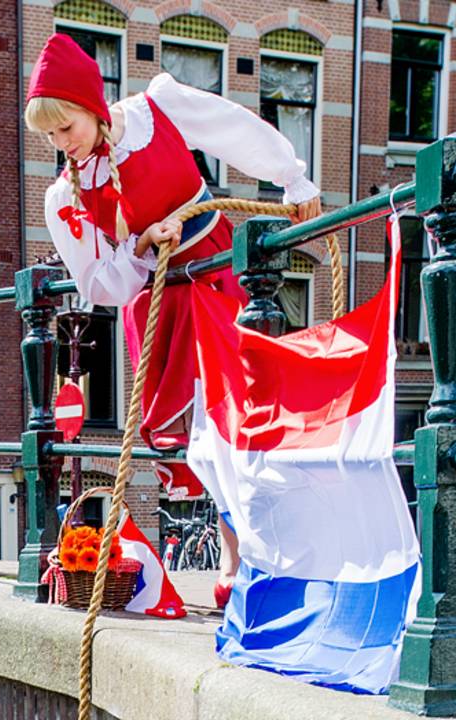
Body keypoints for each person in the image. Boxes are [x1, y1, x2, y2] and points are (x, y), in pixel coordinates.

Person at [24, 33, 322, 609]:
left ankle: (245, 557)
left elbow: (228, 127)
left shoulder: (154, 111)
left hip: (216, 280)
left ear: (91, 105)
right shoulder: (63, 196)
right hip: (159, 302)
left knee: (236, 418)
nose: (62, 143)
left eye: (67, 127)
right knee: (198, 441)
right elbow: (98, 283)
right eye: (51, 134)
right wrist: (138, 245)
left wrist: (292, 178)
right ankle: (238, 558)